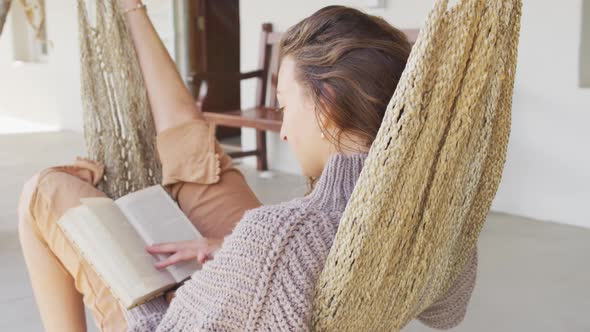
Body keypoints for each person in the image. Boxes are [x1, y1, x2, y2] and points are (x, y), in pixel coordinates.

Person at [17, 2, 478, 331]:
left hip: (177, 315)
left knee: (43, 190)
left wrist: (160, 293)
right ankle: (131, 8)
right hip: (273, 271)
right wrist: (231, 255)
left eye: (283, 109)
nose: (282, 132)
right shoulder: (433, 208)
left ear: (328, 104)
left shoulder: (279, 238)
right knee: (197, 153)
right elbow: (448, 311)